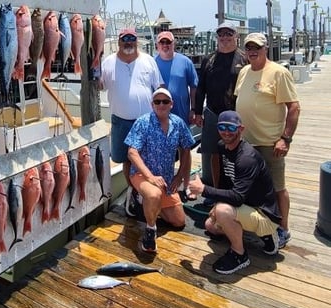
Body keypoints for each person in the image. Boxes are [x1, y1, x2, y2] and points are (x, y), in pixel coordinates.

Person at [188, 110, 281, 274]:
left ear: (241, 129)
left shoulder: (247, 158)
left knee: (223, 211)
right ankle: (256, 233)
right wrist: (217, 202)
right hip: (246, 204)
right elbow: (225, 181)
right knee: (211, 226)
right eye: (222, 127)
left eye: (231, 128)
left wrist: (204, 190)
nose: (226, 132)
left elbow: (237, 198)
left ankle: (240, 254)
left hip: (264, 213)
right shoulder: (222, 147)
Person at [234, 32, 300, 249]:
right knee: (251, 187)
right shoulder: (244, 71)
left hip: (270, 143)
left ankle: (283, 228)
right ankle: (261, 225)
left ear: (266, 48)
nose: (253, 51)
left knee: (277, 188)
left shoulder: (279, 72)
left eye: (257, 47)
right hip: (246, 144)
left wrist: (286, 139)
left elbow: (294, 107)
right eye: (249, 48)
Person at [100, 28, 163, 217]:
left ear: (137, 41)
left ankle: (149, 192)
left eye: (132, 39)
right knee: (125, 160)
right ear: (119, 41)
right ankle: (133, 191)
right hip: (120, 121)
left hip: (145, 121)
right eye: (124, 39)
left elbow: (159, 87)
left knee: (148, 158)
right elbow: (99, 85)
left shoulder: (149, 61)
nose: (128, 42)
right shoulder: (108, 62)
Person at [124, 88, 196, 253]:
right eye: (157, 101)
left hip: (165, 180)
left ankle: (145, 202)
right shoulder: (143, 122)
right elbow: (132, 152)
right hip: (142, 174)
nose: (161, 104)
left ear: (172, 104)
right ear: (152, 104)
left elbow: (186, 149)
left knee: (179, 221)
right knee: (154, 194)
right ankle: (150, 231)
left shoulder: (178, 123)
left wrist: (179, 177)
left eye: (165, 101)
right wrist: (150, 177)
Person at [194, 22, 248, 203]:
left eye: (229, 34)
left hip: (235, 114)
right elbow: (200, 88)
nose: (225, 38)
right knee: (212, 152)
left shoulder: (244, 58)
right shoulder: (208, 59)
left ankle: (238, 189)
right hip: (212, 113)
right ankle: (214, 190)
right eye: (221, 35)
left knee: (237, 153)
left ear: (236, 36)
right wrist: (198, 112)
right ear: (217, 38)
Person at [154, 31, 199, 200]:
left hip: (181, 114)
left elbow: (194, 86)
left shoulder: (185, 62)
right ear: (158, 45)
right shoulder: (152, 62)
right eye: (162, 42)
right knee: (162, 152)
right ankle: (165, 183)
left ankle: (186, 185)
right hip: (159, 115)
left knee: (185, 151)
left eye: (169, 42)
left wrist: (193, 108)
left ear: (174, 44)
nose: (165, 45)